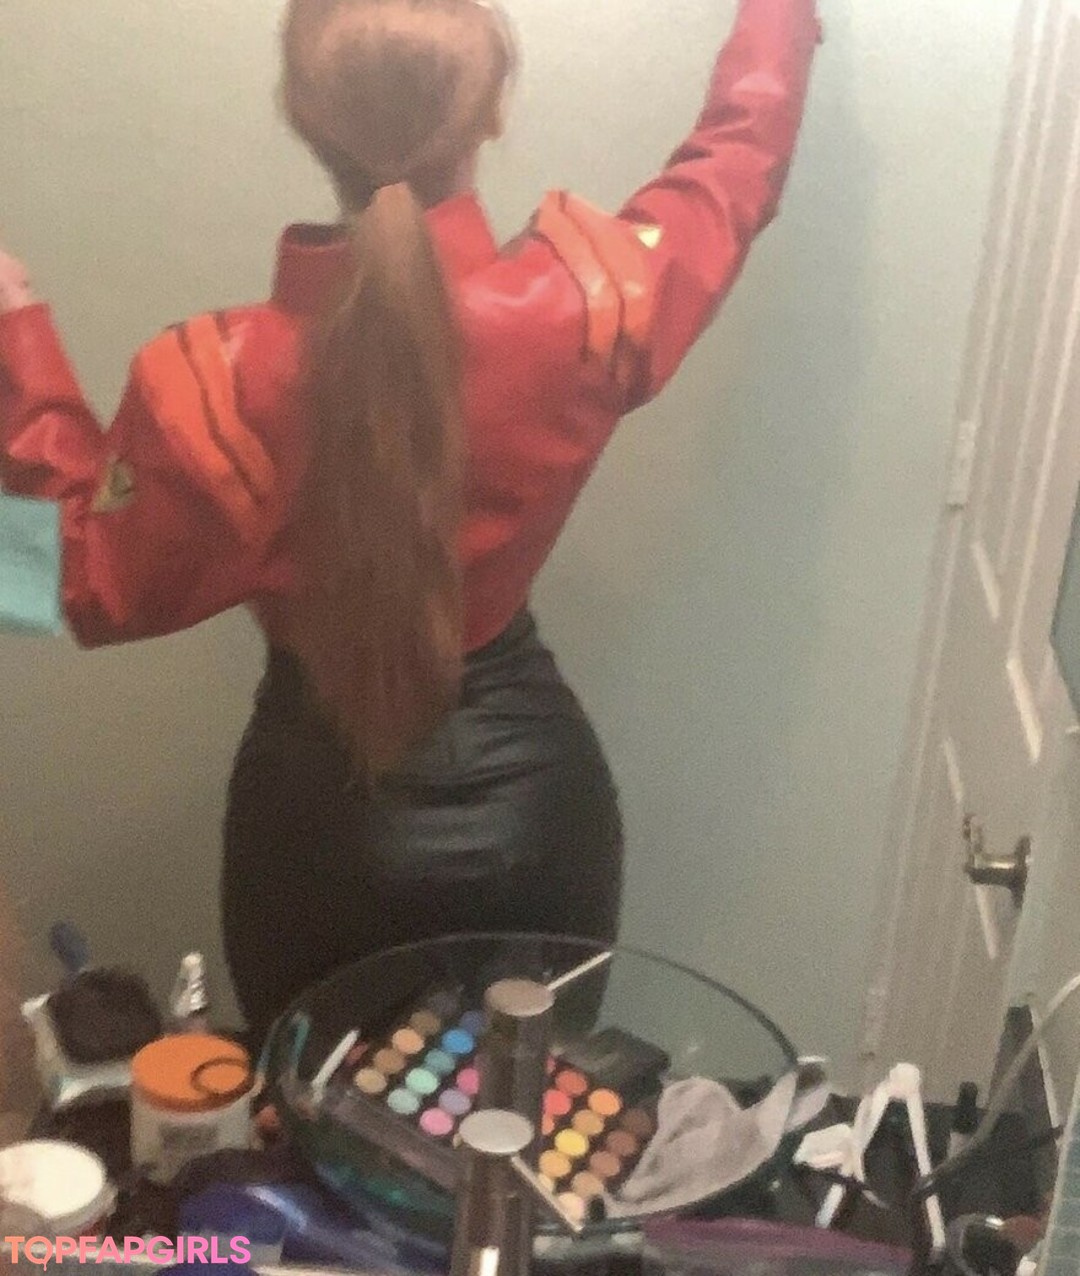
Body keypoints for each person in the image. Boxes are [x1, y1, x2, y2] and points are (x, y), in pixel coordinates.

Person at [0, 0, 821, 1043]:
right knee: (528, 1125)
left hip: (315, 840)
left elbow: (67, 584)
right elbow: (737, 166)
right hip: (537, 820)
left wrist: (16, 336)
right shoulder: (586, 302)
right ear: (492, 112)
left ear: (302, 115)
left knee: (318, 1128)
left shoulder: (210, 384)